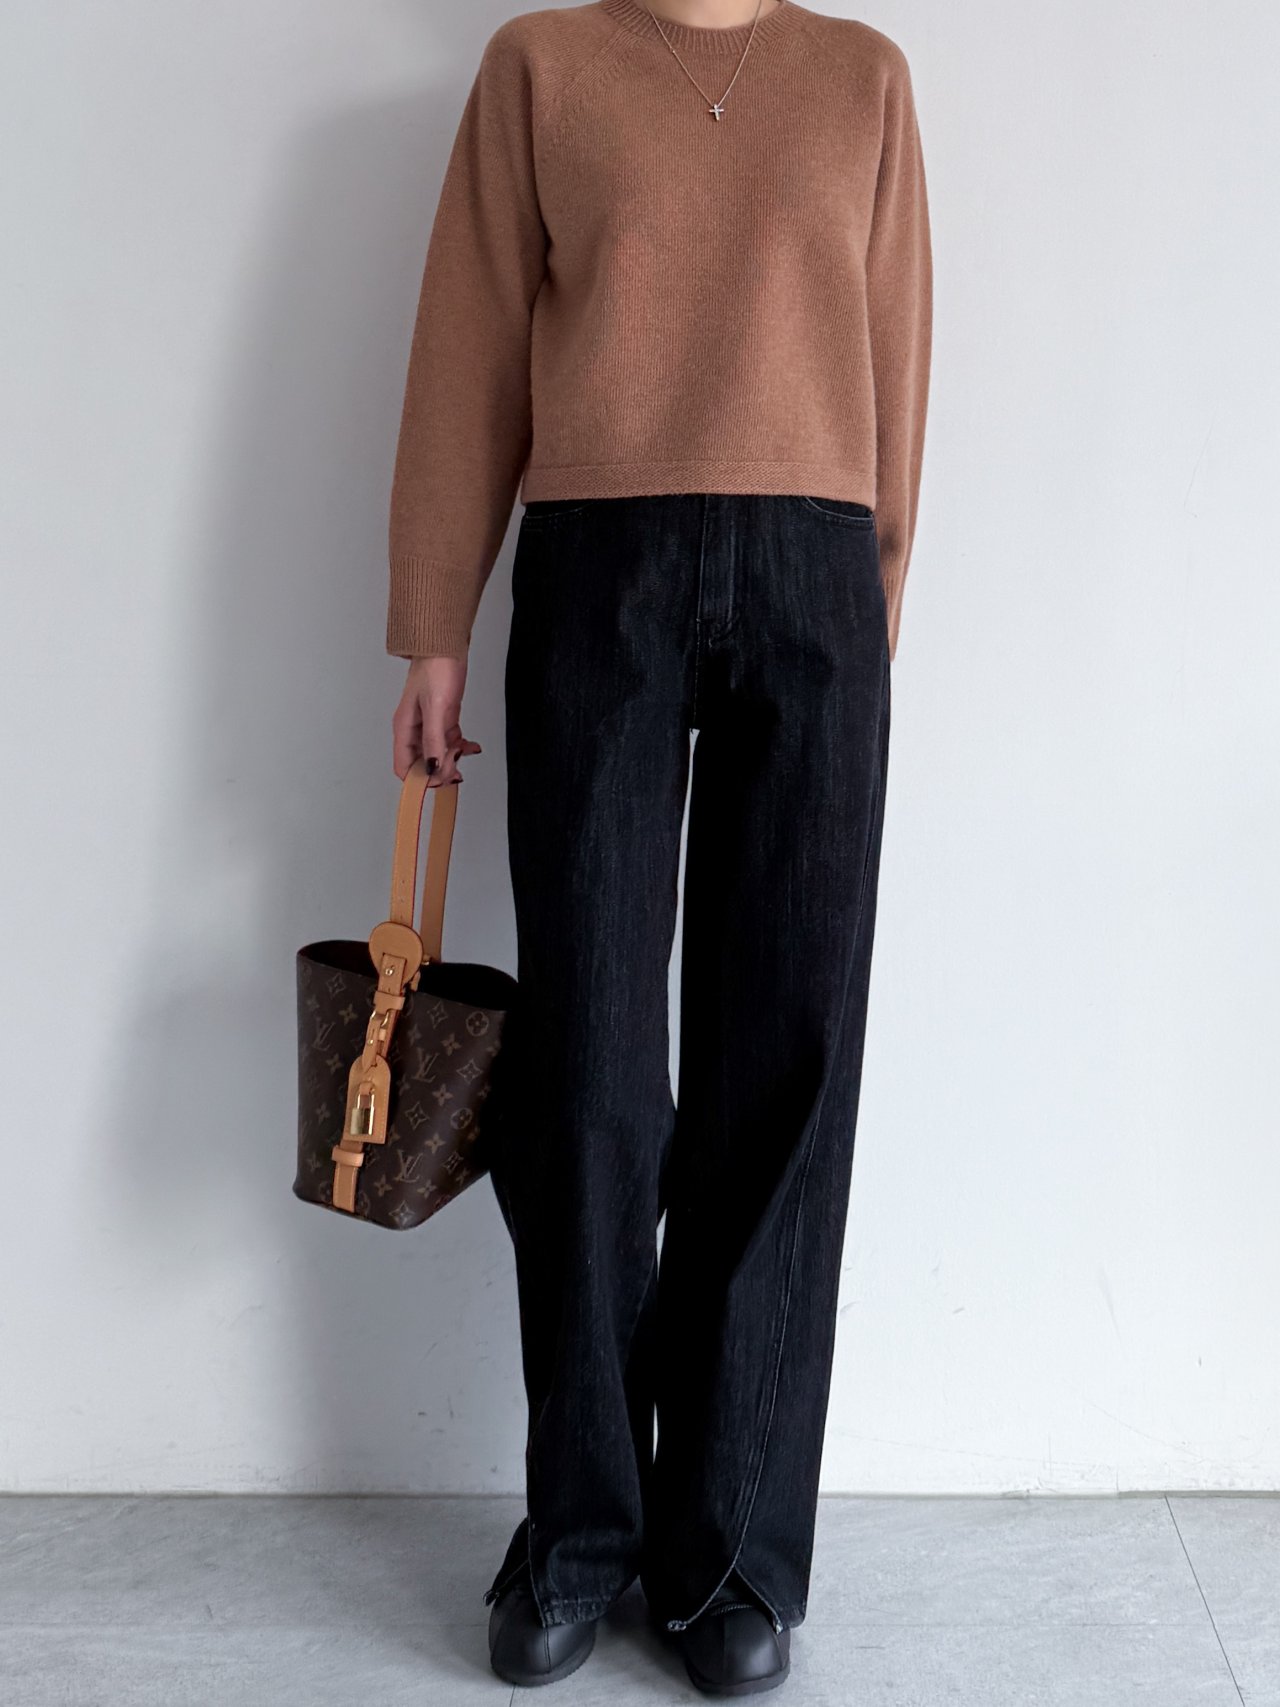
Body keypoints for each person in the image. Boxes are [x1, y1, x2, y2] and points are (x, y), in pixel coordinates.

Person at [387, 0, 931, 1692]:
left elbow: (897, 367)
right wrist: (434, 625)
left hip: (815, 591)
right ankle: (581, 1535)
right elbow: (470, 348)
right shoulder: (542, 65)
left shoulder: (863, 79)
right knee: (592, 1069)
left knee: (789, 1061)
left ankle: (734, 1557)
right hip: (595, 581)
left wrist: (873, 612)